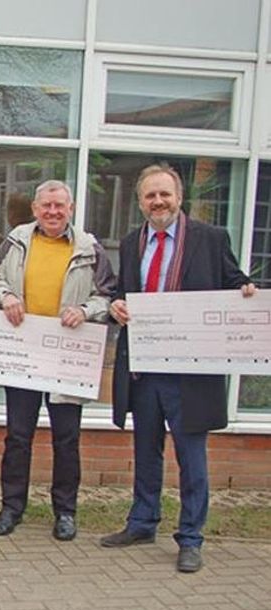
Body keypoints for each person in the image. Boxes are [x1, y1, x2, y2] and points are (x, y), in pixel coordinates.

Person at [100, 164, 256, 573]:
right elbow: (124, 292)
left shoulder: (210, 238)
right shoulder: (134, 241)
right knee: (145, 452)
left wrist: (247, 292)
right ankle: (142, 522)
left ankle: (190, 538)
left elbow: (235, 280)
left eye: (164, 194)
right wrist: (117, 306)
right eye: (150, 196)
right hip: (145, 370)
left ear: (179, 197)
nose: (158, 202)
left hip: (191, 373)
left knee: (192, 459)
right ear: (140, 203)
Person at [0, 180, 114, 541]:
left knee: (66, 439)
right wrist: (7, 296)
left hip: (66, 355)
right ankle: (11, 507)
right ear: (35, 208)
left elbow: (107, 296)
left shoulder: (89, 248)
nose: (53, 212)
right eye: (46, 206)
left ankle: (65, 512)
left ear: (71, 209)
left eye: (60, 206)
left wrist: (85, 310)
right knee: (17, 437)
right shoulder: (14, 242)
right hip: (24, 353)